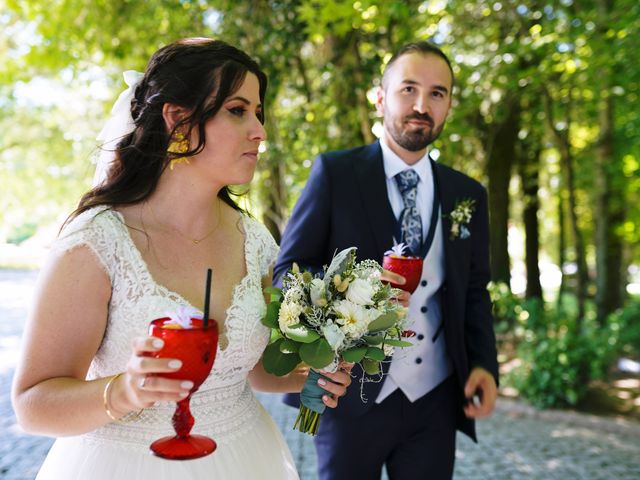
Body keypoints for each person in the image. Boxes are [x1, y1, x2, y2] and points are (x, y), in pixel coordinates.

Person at [11, 37, 352, 480]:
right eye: (237, 110)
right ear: (178, 119)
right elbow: (33, 405)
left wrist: (316, 371)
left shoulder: (255, 240)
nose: (260, 130)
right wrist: (123, 392)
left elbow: (255, 371)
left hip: (247, 458)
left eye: (259, 112)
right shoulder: (96, 243)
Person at [274, 41, 499, 479]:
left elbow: (474, 290)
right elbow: (291, 271)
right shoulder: (335, 174)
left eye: (437, 93)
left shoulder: (466, 194)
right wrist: (348, 300)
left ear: (449, 104)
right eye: (408, 88)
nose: (421, 104)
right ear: (380, 97)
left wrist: (483, 365)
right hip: (347, 394)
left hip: (434, 398)